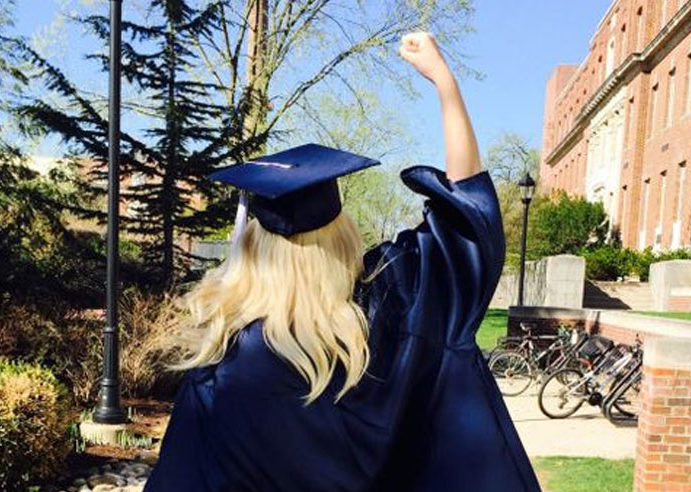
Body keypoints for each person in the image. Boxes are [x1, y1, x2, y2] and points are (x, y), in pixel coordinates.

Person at [144, 32, 541, 492]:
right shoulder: (395, 308)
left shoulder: (220, 362)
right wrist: (444, 84)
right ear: (343, 235)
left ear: (252, 248)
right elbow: (467, 223)